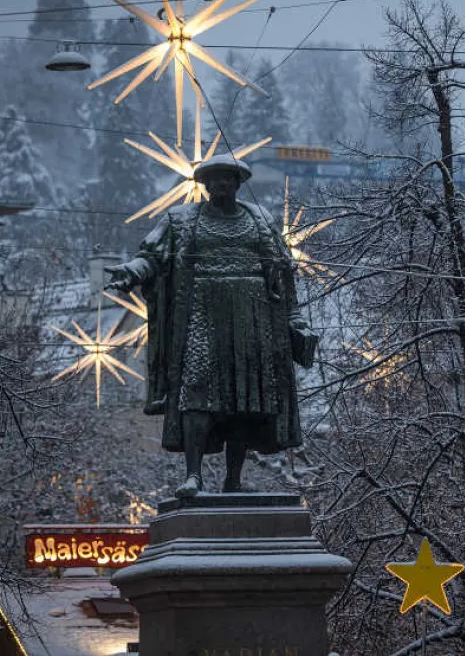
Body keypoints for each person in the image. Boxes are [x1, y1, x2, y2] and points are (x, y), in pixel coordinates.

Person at [105, 155, 316, 497]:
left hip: (253, 320)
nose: (220, 184)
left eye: (226, 178)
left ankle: (234, 479)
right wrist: (132, 271)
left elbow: (283, 273)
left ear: (238, 183)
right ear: (203, 185)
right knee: (197, 394)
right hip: (201, 318)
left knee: (244, 401)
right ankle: (194, 476)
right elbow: (153, 257)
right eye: (213, 179)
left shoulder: (260, 219)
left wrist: (295, 318)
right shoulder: (181, 220)